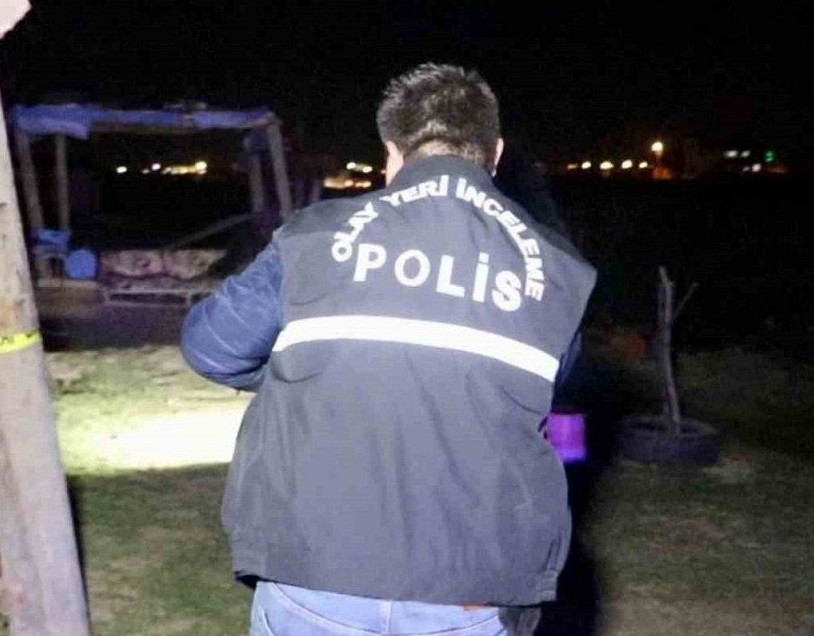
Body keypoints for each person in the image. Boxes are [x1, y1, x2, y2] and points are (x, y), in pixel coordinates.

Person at [181, 64, 596, 636]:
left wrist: (311, 363)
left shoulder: (314, 235)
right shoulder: (559, 270)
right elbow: (547, 392)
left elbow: (210, 346)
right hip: (470, 591)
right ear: (495, 152)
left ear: (392, 152)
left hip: (316, 573)